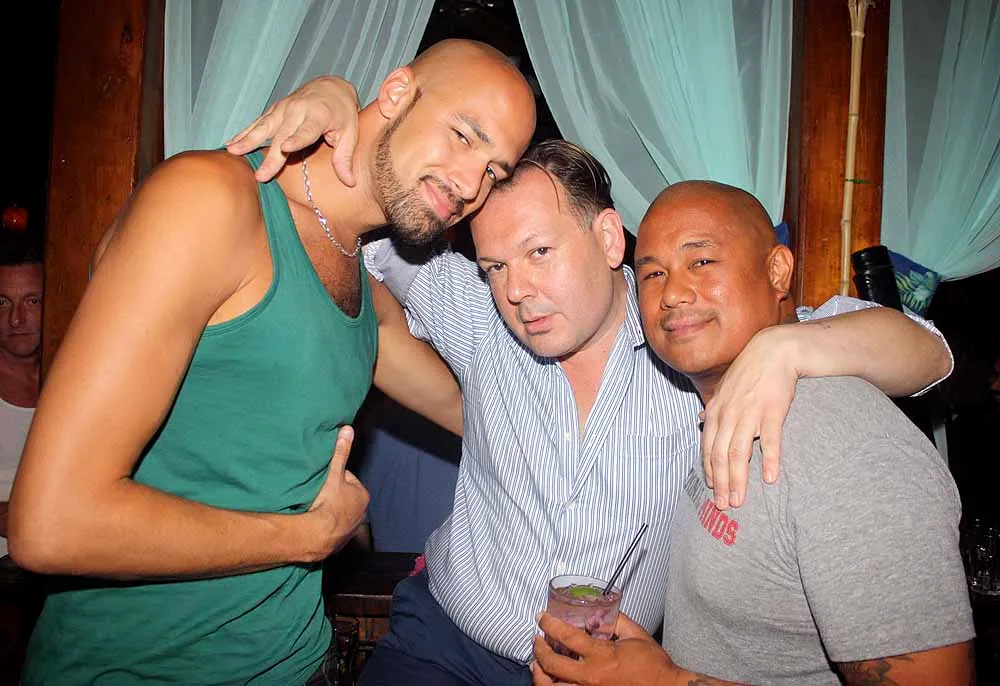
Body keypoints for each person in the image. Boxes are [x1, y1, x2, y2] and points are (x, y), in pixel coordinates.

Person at [236, 86, 953, 683]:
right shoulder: (482, 315)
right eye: (495, 266)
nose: (517, 289)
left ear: (609, 240)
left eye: (539, 251)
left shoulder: (687, 341)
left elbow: (928, 352)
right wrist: (342, 112)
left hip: (607, 670)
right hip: (443, 646)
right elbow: (350, 216)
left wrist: (788, 345)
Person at [7, 39, 534, 685]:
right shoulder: (210, 200)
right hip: (139, 670)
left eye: (494, 171)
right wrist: (307, 538)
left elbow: (484, 414)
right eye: (463, 135)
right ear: (396, 93)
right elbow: (50, 525)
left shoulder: (361, 281)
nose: (470, 184)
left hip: (299, 662)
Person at [532, 181, 975, 685]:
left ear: (778, 271)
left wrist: (663, 683)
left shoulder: (847, 450)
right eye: (653, 273)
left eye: (701, 261)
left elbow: (931, 353)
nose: (672, 293)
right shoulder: (706, 399)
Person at [0, 245, 42, 558]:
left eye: (32, 301)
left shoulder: (77, 378)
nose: (16, 320)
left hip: (58, 562)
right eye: (2, 303)